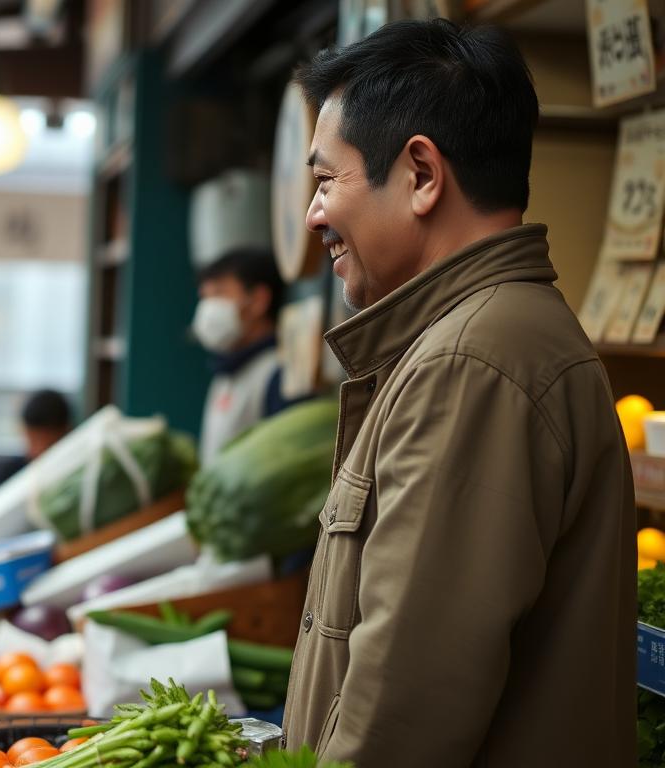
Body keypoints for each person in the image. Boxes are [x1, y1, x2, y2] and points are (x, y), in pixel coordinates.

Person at [281, 20, 633, 766]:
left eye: (325, 181)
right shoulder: (475, 340)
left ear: (420, 175)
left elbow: (402, 714)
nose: (315, 215)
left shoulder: (471, 363)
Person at [190, 247, 295, 465]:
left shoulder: (280, 376)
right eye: (204, 297)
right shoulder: (226, 371)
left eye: (218, 293)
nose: (207, 309)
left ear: (258, 300)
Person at [0, 389, 72, 497]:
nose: (37, 450)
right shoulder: (8, 472)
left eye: (46, 442)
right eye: (32, 441)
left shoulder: (73, 475)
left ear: (66, 433)